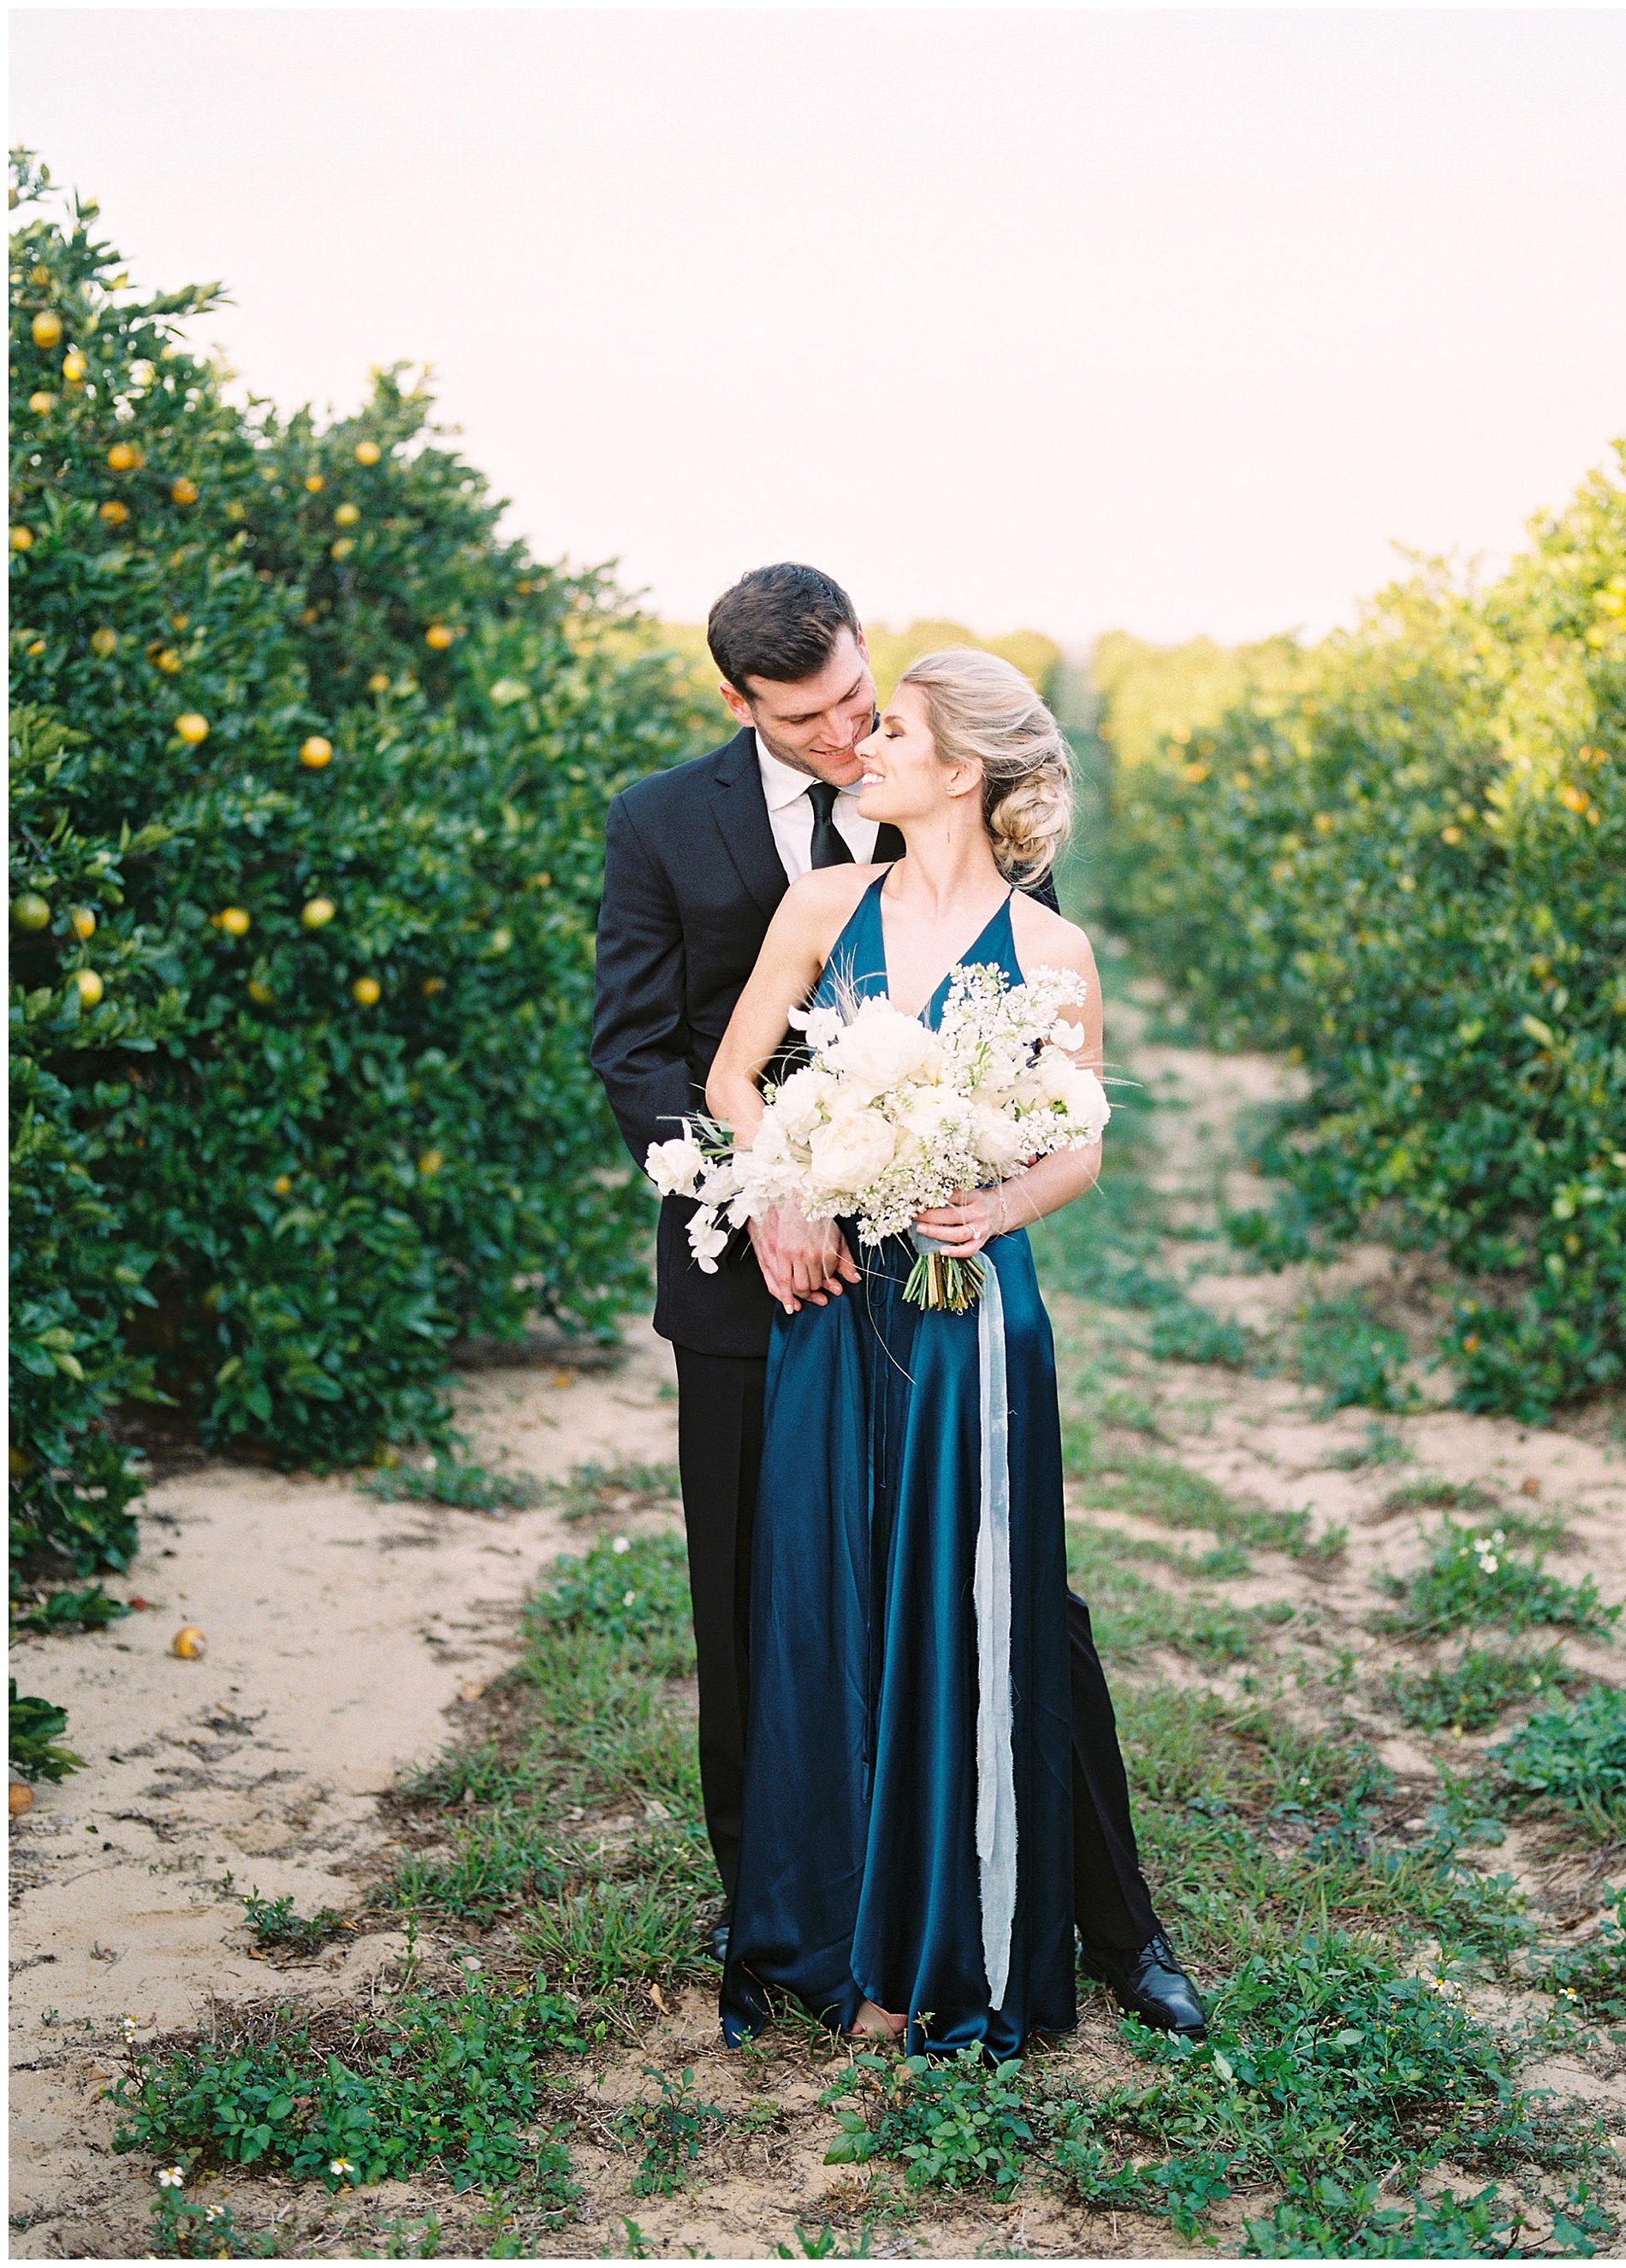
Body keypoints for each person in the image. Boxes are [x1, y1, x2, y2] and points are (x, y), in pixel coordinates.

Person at [590, 566, 1203, 2039]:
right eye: (815, 718)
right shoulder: (664, 822)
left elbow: (1042, 1082)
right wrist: (773, 1187)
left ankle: (1113, 1920)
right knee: (762, 1607)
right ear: (742, 705)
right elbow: (643, 1055)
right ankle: (788, 1921)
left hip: (940, 1288)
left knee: (1014, 1604)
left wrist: (972, 1189)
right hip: (757, 1275)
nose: (849, 733)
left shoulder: (957, 808)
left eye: (866, 702)